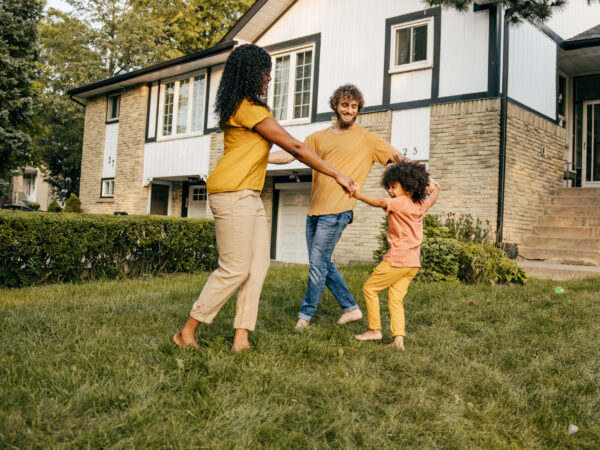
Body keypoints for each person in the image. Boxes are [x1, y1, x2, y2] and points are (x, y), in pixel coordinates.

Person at [173, 44, 356, 351]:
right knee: (234, 268)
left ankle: (241, 337)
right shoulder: (249, 109)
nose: (269, 79)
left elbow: (273, 153)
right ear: (250, 73)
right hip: (233, 193)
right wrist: (336, 173)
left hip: (249, 194)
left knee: (258, 266)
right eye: (266, 72)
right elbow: (295, 147)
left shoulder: (240, 108)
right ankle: (187, 331)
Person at [271, 84, 404, 330]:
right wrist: (261, 157)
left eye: (354, 107)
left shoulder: (367, 139)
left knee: (317, 264)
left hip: (339, 210)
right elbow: (291, 154)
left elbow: (398, 158)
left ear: (358, 110)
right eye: (345, 105)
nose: (349, 110)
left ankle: (305, 316)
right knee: (321, 262)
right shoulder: (318, 137)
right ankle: (351, 308)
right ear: (336, 105)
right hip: (314, 211)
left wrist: (421, 180)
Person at [353, 161, 440, 350]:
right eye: (389, 187)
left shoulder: (399, 202)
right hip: (412, 263)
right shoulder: (420, 204)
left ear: (408, 186)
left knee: (370, 289)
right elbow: (433, 198)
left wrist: (358, 194)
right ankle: (398, 340)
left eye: (394, 187)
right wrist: (435, 187)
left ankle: (375, 330)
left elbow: (380, 202)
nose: (390, 191)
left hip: (397, 260)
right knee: (395, 298)